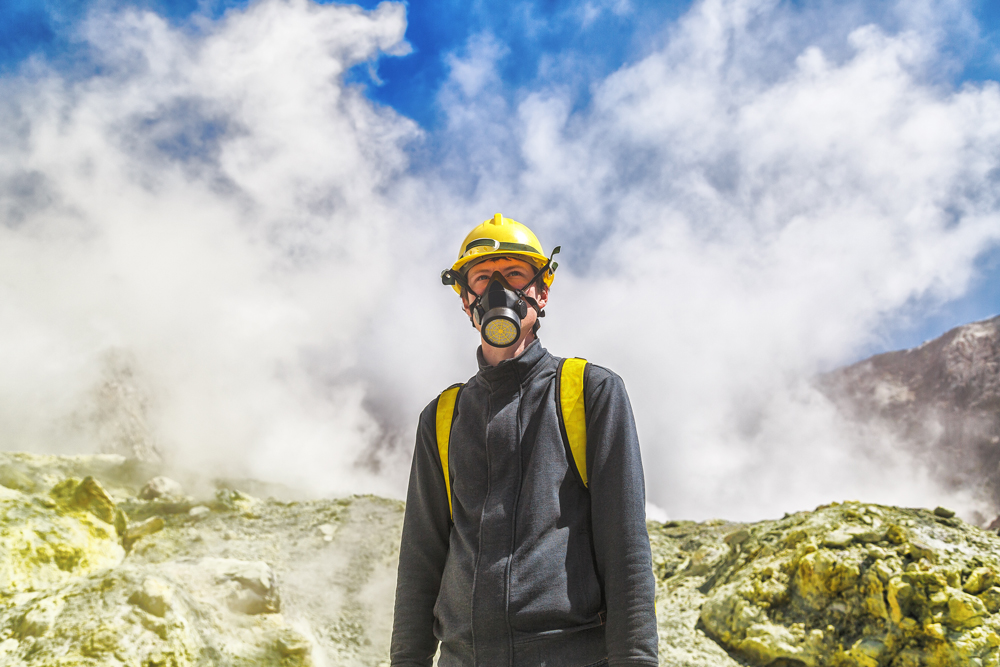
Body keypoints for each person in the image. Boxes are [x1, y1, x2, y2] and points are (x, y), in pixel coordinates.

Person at [391, 213, 657, 667]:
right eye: (482, 277)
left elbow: (626, 549)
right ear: (464, 298)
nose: (498, 290)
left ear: (541, 290)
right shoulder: (441, 417)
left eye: (514, 274)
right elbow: (421, 561)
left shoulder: (590, 391)